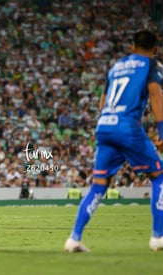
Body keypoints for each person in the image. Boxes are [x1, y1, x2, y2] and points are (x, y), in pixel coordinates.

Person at [64, 30, 163, 253]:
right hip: (127, 127)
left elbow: (103, 102)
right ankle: (158, 236)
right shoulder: (151, 65)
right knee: (159, 176)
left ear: (132, 47)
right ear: (155, 50)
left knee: (98, 185)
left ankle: (74, 238)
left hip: (105, 126)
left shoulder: (116, 66)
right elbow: (156, 95)